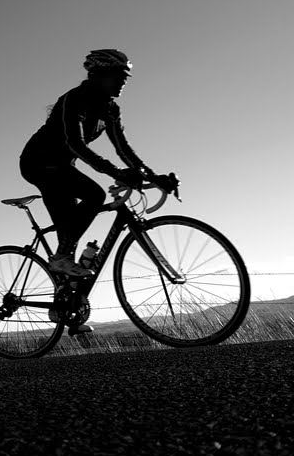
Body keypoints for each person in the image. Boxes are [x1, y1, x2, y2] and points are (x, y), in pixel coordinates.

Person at [20, 49, 178, 282]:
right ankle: (61, 258)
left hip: (63, 167)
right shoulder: (74, 99)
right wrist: (116, 172)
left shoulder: (110, 109)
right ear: (99, 75)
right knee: (94, 194)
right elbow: (76, 144)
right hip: (38, 163)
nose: (124, 81)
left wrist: (153, 177)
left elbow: (123, 149)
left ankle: (66, 298)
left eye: (126, 76)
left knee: (69, 231)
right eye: (118, 75)